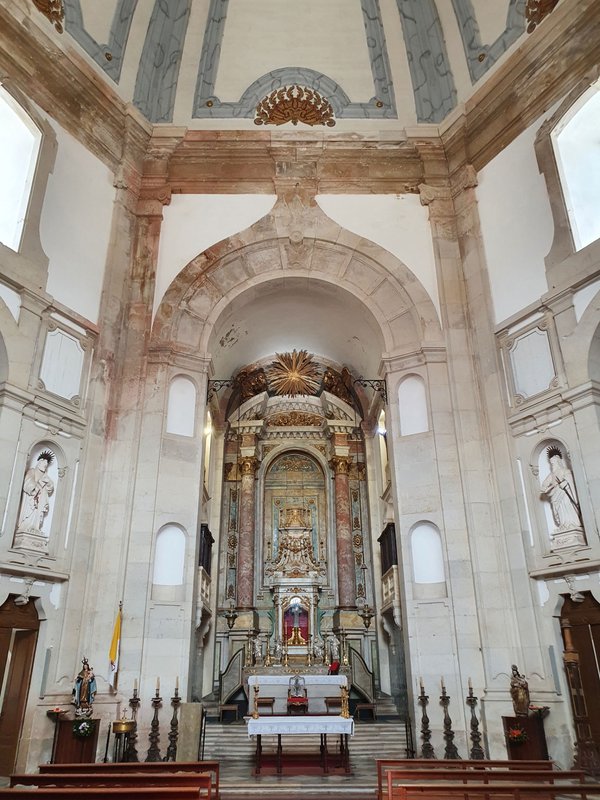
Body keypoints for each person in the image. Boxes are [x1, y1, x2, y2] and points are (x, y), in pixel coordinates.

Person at [540, 447, 583, 532]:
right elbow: (543, 488)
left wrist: (565, 484)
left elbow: (571, 482)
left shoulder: (565, 471)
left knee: (568, 506)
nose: (553, 465)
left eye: (554, 462)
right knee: (560, 511)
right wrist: (552, 487)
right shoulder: (551, 475)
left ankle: (572, 524)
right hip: (556, 497)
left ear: (558, 461)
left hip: (566, 495)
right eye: (552, 463)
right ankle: (564, 525)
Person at [16, 451, 55, 535]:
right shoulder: (32, 471)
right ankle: (25, 526)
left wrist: (48, 483)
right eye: (44, 462)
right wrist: (37, 486)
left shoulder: (45, 476)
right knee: (29, 514)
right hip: (31, 500)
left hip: (40, 501)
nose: (45, 465)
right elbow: (28, 483)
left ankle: (36, 527)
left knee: (38, 515)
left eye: (46, 464)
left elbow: (50, 488)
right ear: (40, 461)